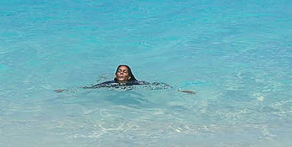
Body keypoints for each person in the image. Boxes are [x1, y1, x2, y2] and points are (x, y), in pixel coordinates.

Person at [55, 64, 195, 93]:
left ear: (128, 75)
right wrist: (66, 90)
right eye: (119, 71)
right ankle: (100, 75)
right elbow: (90, 87)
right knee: (97, 83)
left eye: (124, 72)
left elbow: (156, 85)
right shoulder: (110, 84)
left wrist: (179, 90)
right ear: (115, 75)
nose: (121, 73)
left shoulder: (135, 83)